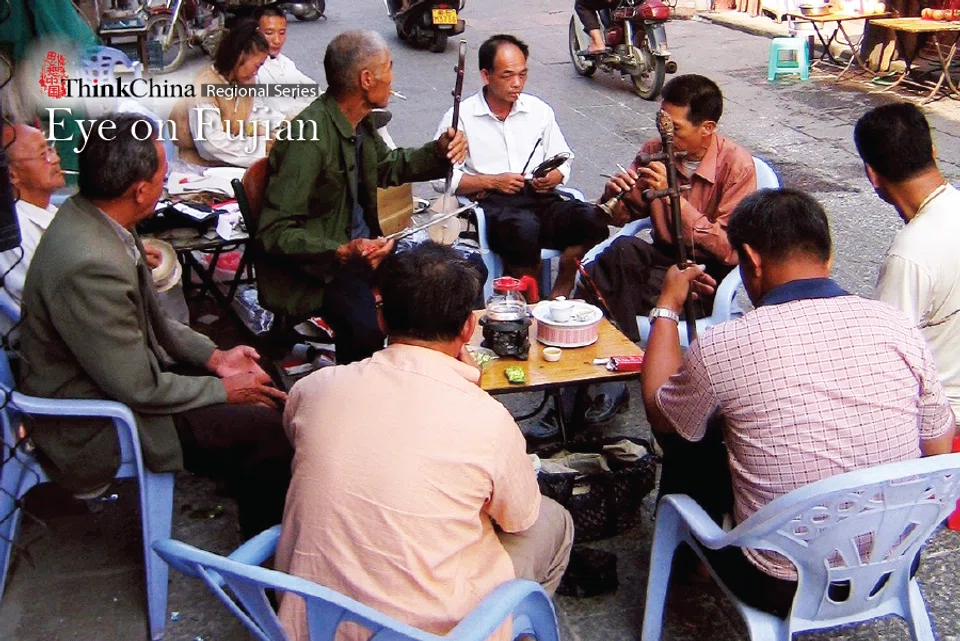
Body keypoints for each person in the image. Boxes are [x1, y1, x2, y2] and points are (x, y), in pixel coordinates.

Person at [640, 188, 955, 616]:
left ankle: (689, 565)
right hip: (894, 564)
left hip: (780, 583)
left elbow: (663, 417)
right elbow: (936, 450)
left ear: (750, 260)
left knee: (690, 441)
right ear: (827, 255)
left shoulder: (727, 344)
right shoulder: (896, 325)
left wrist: (667, 305)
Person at [276, 242, 573, 641]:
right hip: (430, 633)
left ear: (381, 319)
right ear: (469, 327)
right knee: (554, 519)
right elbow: (518, 518)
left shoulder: (314, 388)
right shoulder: (486, 419)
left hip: (311, 624)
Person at [18, 114, 292, 539]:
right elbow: (139, 388)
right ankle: (265, 569)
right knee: (267, 430)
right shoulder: (89, 263)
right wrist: (223, 389)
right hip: (97, 422)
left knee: (262, 377)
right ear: (140, 190)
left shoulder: (95, 217)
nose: (167, 184)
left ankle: (246, 478)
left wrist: (216, 357)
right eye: (164, 176)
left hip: (119, 381)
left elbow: (153, 320)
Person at [257, 30, 467, 365]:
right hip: (322, 270)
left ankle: (421, 375)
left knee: (459, 273)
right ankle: (359, 397)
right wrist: (341, 250)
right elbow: (274, 231)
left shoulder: (360, 123)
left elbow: (388, 166)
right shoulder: (308, 139)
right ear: (367, 79)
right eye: (389, 67)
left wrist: (439, 152)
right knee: (365, 330)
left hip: (365, 253)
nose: (394, 76)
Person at [582, 74, 756, 424]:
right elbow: (626, 214)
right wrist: (613, 197)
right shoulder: (653, 151)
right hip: (661, 263)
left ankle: (608, 375)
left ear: (707, 127)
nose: (666, 136)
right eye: (662, 124)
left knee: (601, 284)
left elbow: (728, 249)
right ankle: (620, 362)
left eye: (675, 129)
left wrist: (675, 196)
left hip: (703, 275)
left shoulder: (737, 167)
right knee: (618, 255)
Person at [437, 34, 608, 300]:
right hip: (495, 203)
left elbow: (563, 157)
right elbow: (443, 179)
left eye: (522, 74)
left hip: (540, 198)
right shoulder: (462, 116)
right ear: (486, 75)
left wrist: (552, 177)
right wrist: (493, 182)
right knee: (523, 229)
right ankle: (529, 298)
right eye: (507, 76)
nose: (517, 84)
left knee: (592, 219)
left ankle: (564, 280)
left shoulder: (539, 111)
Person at [854, 103, 960, 429]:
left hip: (944, 423)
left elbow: (882, 365)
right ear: (933, 150)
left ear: (872, 174)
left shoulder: (910, 255)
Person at [169, 20, 285, 168]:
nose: (257, 72)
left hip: (231, 161)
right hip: (199, 168)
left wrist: (281, 124)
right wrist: (263, 146)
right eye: (257, 65)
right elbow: (210, 145)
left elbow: (250, 113)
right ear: (239, 57)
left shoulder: (244, 81)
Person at [0, 123, 65, 340]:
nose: (55, 159)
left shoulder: (48, 210)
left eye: (51, 149)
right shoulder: (14, 234)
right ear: (12, 175)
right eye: (43, 154)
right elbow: (50, 307)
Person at [256, 7, 319, 119]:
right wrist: (283, 120)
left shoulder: (285, 63)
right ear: (256, 33)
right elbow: (253, 110)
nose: (277, 40)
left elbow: (312, 90)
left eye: (282, 33)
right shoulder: (250, 69)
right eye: (269, 33)